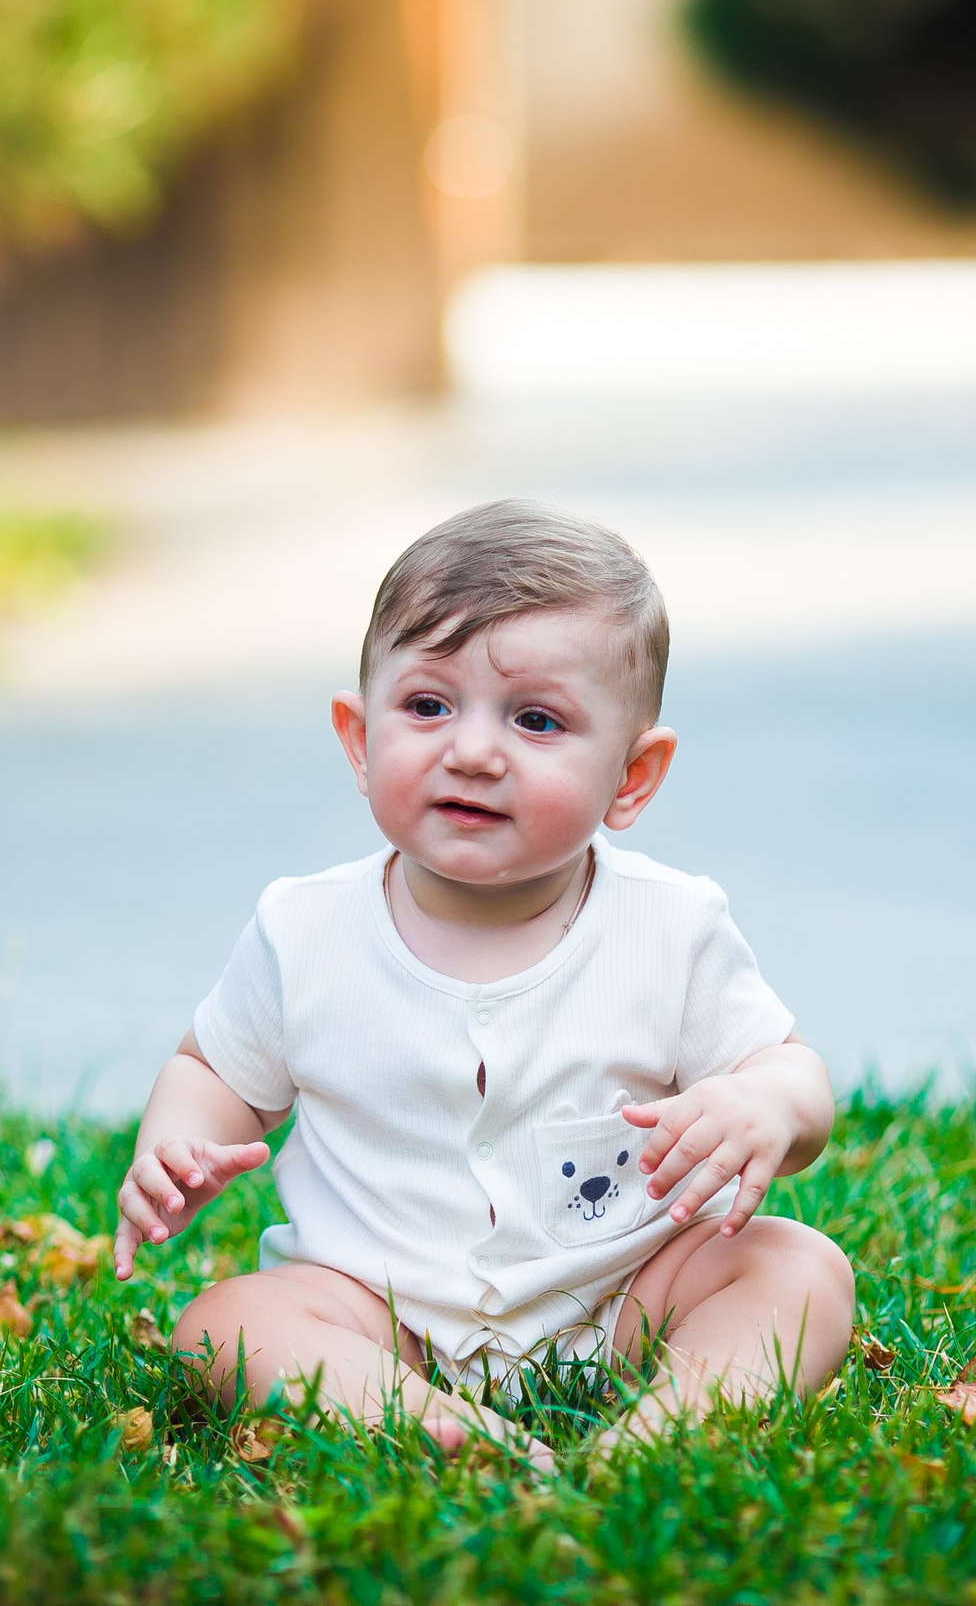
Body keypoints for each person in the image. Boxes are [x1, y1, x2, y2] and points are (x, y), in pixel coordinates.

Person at [110, 499, 854, 1459]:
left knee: (801, 1269)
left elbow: (792, 1072)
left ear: (631, 777)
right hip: (379, 1309)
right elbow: (213, 1072)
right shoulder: (304, 931)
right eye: (426, 705)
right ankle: (441, 1426)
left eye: (536, 719)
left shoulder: (670, 927)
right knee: (223, 1321)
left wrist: (766, 1107)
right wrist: (179, 1144)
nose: (470, 749)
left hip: (625, 1296)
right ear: (357, 735)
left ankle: (663, 1432)